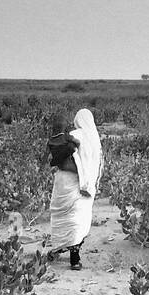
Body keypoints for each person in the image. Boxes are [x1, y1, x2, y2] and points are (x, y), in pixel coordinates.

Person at [48, 108, 102, 270]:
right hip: (84, 186)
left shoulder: (73, 135)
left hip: (65, 181)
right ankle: (74, 259)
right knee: (78, 221)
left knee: (64, 218)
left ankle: (59, 248)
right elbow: (97, 166)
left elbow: (55, 156)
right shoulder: (95, 140)